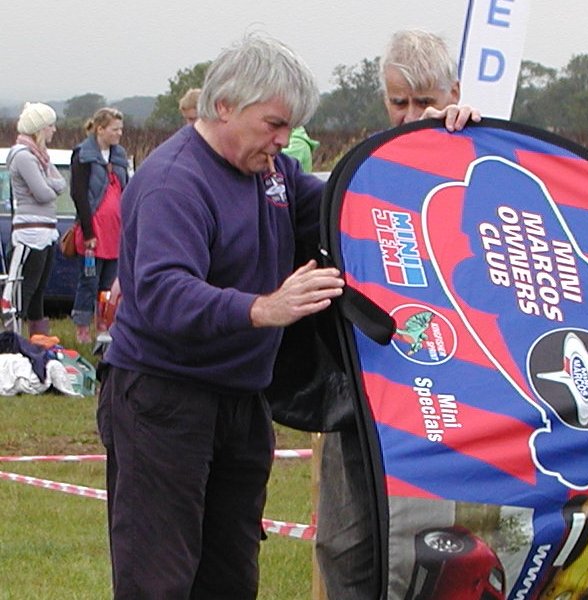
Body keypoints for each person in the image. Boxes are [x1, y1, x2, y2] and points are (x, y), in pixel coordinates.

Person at [97, 34, 346, 599]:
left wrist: (425, 147)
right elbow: (161, 292)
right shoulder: (173, 182)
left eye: (289, 127)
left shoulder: (272, 171)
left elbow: (340, 208)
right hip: (165, 401)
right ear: (225, 105)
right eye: (274, 124)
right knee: (158, 580)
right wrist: (262, 308)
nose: (283, 140)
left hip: (241, 400)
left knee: (231, 577)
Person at [315, 29, 479, 600]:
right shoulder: (362, 170)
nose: (410, 116)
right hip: (369, 390)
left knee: (438, 552)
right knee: (346, 546)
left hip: (454, 398)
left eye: (425, 102)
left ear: (454, 93)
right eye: (398, 102)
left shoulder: (481, 156)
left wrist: (473, 138)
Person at [1, 102, 66, 336]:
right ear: (39, 128)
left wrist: (47, 184)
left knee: (39, 290)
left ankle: (38, 339)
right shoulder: (24, 156)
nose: (54, 130)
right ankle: (12, 337)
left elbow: (61, 184)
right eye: (50, 125)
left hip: (46, 229)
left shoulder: (41, 157)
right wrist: (48, 186)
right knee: (25, 290)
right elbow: (44, 193)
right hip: (31, 231)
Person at [69, 107, 129, 344]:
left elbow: (127, 188)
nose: (119, 134)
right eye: (115, 129)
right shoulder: (83, 155)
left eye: (121, 129)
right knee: (89, 280)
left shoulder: (119, 156)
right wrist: (88, 232)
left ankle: (104, 324)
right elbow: (79, 194)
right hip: (94, 229)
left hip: (116, 230)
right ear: (100, 129)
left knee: (109, 282)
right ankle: (82, 327)